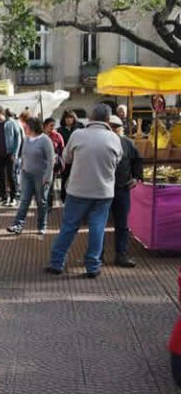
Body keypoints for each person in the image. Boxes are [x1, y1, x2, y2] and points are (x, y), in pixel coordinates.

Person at [46, 104, 123, 278]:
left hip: (78, 190)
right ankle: (93, 267)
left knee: (69, 226)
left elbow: (66, 158)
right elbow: (118, 159)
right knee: (97, 228)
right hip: (103, 191)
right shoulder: (114, 138)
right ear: (108, 120)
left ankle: (57, 263)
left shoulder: (78, 135)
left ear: (90, 116)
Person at [104, 114, 143, 267]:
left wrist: (137, 177)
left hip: (122, 188)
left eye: (116, 127)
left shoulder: (128, 143)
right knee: (99, 224)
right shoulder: (103, 142)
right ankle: (97, 256)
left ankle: (121, 255)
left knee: (122, 224)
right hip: (103, 189)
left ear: (121, 128)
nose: (114, 130)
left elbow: (138, 160)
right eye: (111, 127)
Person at [7, 117, 54, 235]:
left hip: (41, 176)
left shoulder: (45, 140)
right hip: (27, 174)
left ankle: (42, 225)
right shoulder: (27, 139)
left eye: (26, 127)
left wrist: (47, 177)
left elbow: (51, 160)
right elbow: (23, 154)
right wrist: (22, 169)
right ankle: (17, 225)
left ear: (32, 127)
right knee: (24, 200)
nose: (24, 128)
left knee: (41, 201)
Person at [0, 105, 24, 207]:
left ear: (1, 113)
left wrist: (15, 153)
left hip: (10, 154)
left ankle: (13, 197)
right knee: (1, 176)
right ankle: (3, 197)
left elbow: (18, 137)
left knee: (11, 175)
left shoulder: (11, 123)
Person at [57, 109, 84, 202]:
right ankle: (64, 196)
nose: (68, 120)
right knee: (65, 176)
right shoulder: (60, 130)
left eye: (70, 117)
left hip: (78, 157)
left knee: (77, 177)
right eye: (67, 118)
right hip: (65, 157)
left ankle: (77, 196)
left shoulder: (79, 128)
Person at [43, 117, 65, 212]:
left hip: (53, 165)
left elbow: (62, 149)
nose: (53, 128)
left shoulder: (57, 136)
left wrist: (58, 157)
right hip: (41, 164)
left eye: (54, 125)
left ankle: (49, 205)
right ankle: (42, 203)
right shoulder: (40, 136)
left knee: (50, 185)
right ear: (45, 126)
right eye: (50, 125)